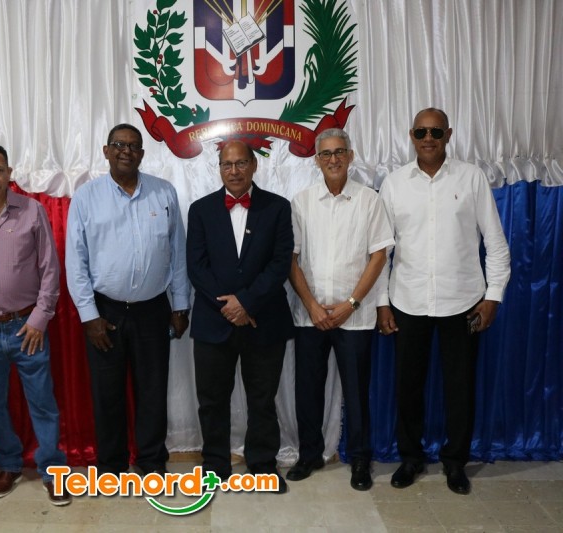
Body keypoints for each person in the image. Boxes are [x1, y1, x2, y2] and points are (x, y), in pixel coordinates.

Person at [377, 108, 511, 495]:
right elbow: (381, 250)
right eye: (421, 132)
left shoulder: (471, 178)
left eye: (435, 132)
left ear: (448, 135)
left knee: (460, 388)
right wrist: (382, 302)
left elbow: (496, 244)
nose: (428, 138)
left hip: (463, 301)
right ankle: (410, 458)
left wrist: (493, 297)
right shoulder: (394, 183)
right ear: (411, 135)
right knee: (408, 387)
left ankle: (455, 463)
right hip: (408, 300)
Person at [65, 124, 190, 476]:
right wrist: (89, 316)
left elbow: (177, 252)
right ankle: (112, 466)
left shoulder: (164, 193)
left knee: (153, 391)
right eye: (119, 145)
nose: (126, 151)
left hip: (153, 310)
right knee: (108, 394)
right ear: (106, 151)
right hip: (105, 312)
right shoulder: (86, 197)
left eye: (134, 146)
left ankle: (151, 462)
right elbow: (76, 261)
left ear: (142, 154)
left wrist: (181, 304)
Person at [0, 143, 71, 506]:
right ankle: (8, 464)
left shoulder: (32, 211)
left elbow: (50, 269)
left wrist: (39, 319)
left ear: (9, 172)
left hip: (27, 329)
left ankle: (52, 469)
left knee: (42, 402)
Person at [286, 128, 394, 491]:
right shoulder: (302, 202)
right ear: (316, 160)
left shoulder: (369, 200)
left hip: (355, 317)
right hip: (311, 316)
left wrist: (352, 304)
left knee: (356, 392)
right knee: (308, 390)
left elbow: (378, 256)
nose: (333, 159)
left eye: (339, 152)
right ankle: (309, 454)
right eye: (326, 154)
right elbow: (291, 259)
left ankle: (360, 459)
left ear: (350, 156)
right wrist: (312, 306)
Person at [186, 140, 293, 494]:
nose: (234, 171)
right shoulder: (200, 210)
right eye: (227, 164)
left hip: (264, 320)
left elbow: (280, 264)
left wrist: (245, 303)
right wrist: (229, 307)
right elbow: (196, 267)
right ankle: (214, 466)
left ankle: (262, 466)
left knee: (262, 399)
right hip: (213, 322)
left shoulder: (278, 208)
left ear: (254, 165)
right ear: (219, 168)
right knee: (212, 401)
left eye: (241, 163)